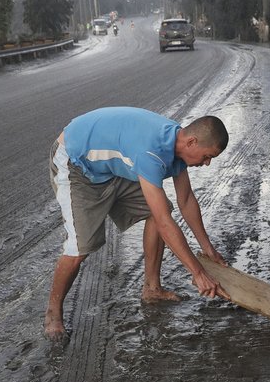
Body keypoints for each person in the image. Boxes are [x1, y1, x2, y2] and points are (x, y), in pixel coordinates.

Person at [45, 107, 231, 342]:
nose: (207, 164)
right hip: (76, 163)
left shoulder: (178, 144)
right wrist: (198, 273)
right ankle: (53, 313)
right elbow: (165, 223)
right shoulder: (151, 153)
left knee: (158, 211)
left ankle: (152, 289)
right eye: (207, 157)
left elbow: (186, 200)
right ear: (192, 141)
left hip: (111, 170)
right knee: (81, 246)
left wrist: (208, 249)